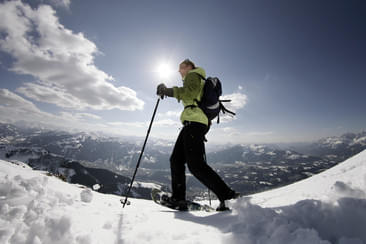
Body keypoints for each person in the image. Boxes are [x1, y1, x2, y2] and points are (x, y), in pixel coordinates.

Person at [156, 59, 239, 211]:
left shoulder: (193, 76)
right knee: (176, 160)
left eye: (182, 67)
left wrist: (167, 91)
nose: (179, 70)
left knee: (196, 165)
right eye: (179, 68)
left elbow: (189, 93)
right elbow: (192, 95)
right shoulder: (195, 78)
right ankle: (178, 199)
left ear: (189, 67)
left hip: (194, 123)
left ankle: (227, 195)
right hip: (193, 123)